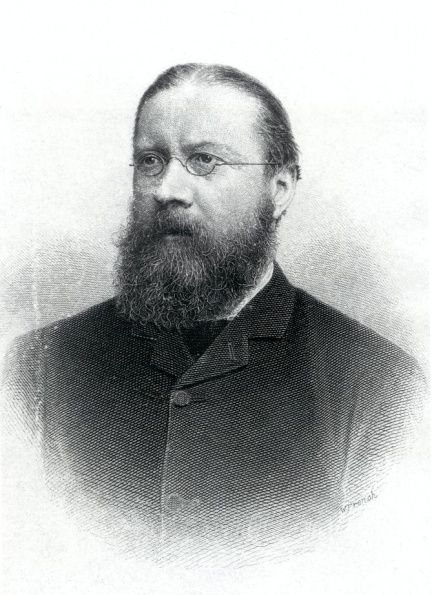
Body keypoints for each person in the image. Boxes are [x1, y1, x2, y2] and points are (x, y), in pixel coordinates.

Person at [3, 63, 425, 566]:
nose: (167, 189)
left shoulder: (381, 386)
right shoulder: (37, 367)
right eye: (151, 161)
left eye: (204, 160)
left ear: (280, 188)